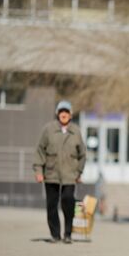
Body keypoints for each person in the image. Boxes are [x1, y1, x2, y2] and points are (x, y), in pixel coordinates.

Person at [33, 101, 86, 244]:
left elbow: (82, 154)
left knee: (68, 201)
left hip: (70, 175)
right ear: (57, 113)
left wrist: (79, 173)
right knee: (51, 204)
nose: (64, 114)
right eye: (61, 111)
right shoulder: (48, 130)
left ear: (70, 114)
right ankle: (55, 234)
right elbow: (40, 151)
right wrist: (38, 170)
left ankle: (68, 234)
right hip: (51, 174)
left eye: (66, 112)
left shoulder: (76, 131)